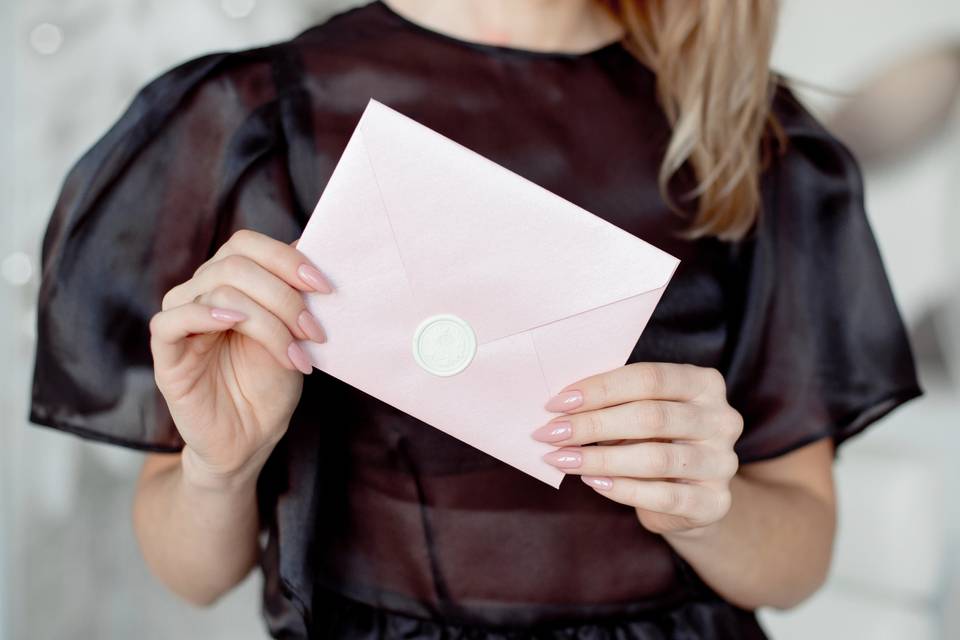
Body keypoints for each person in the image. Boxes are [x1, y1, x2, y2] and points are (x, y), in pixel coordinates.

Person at [28, 0, 924, 637]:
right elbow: (194, 575)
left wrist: (706, 511)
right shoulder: (252, 116)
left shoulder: (746, 134)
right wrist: (222, 470)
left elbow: (800, 555)